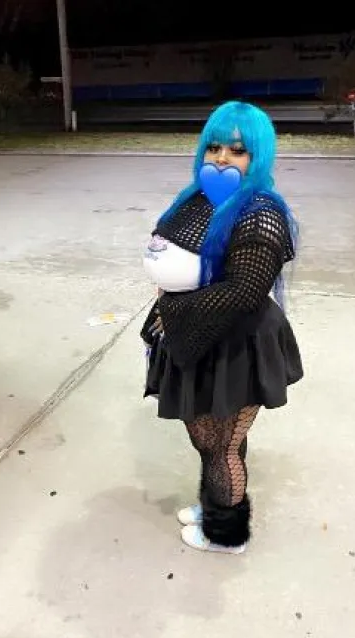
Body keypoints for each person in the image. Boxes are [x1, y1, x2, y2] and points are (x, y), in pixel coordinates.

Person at [140, 100, 303, 555]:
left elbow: (244, 292)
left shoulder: (260, 212)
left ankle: (226, 534)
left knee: (220, 445)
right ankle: (216, 502)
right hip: (198, 334)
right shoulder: (197, 198)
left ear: (258, 156)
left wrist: (173, 311)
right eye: (214, 147)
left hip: (237, 345)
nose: (222, 158)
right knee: (210, 439)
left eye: (237, 150)